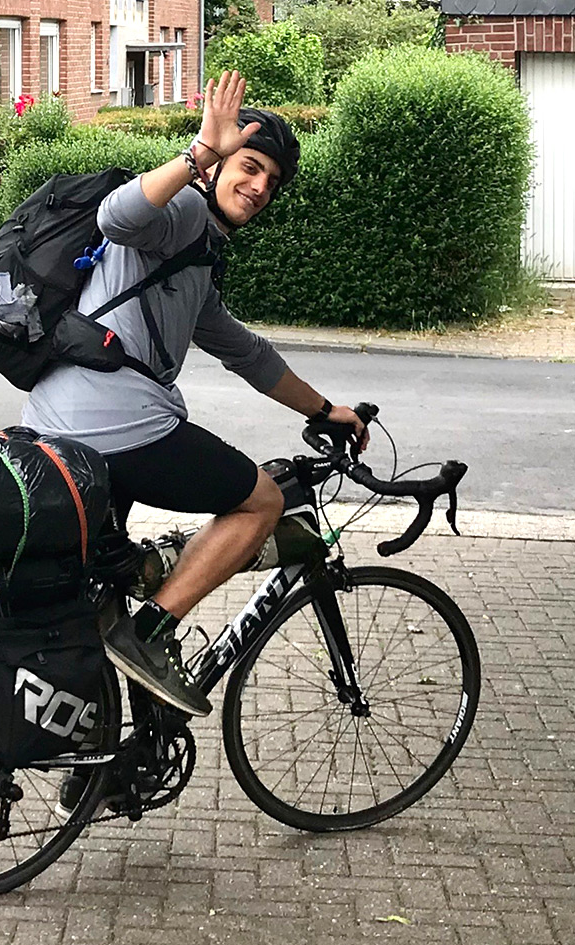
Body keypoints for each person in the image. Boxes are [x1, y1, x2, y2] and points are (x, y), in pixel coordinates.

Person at [22, 71, 366, 717]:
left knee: (105, 585)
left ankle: (114, 742)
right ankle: (149, 635)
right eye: (250, 167)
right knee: (261, 501)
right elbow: (117, 215)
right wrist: (200, 151)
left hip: (57, 423)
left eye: (271, 181)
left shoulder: (195, 260)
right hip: (116, 427)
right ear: (218, 167)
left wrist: (325, 411)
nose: (259, 187)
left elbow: (247, 353)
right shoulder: (180, 214)